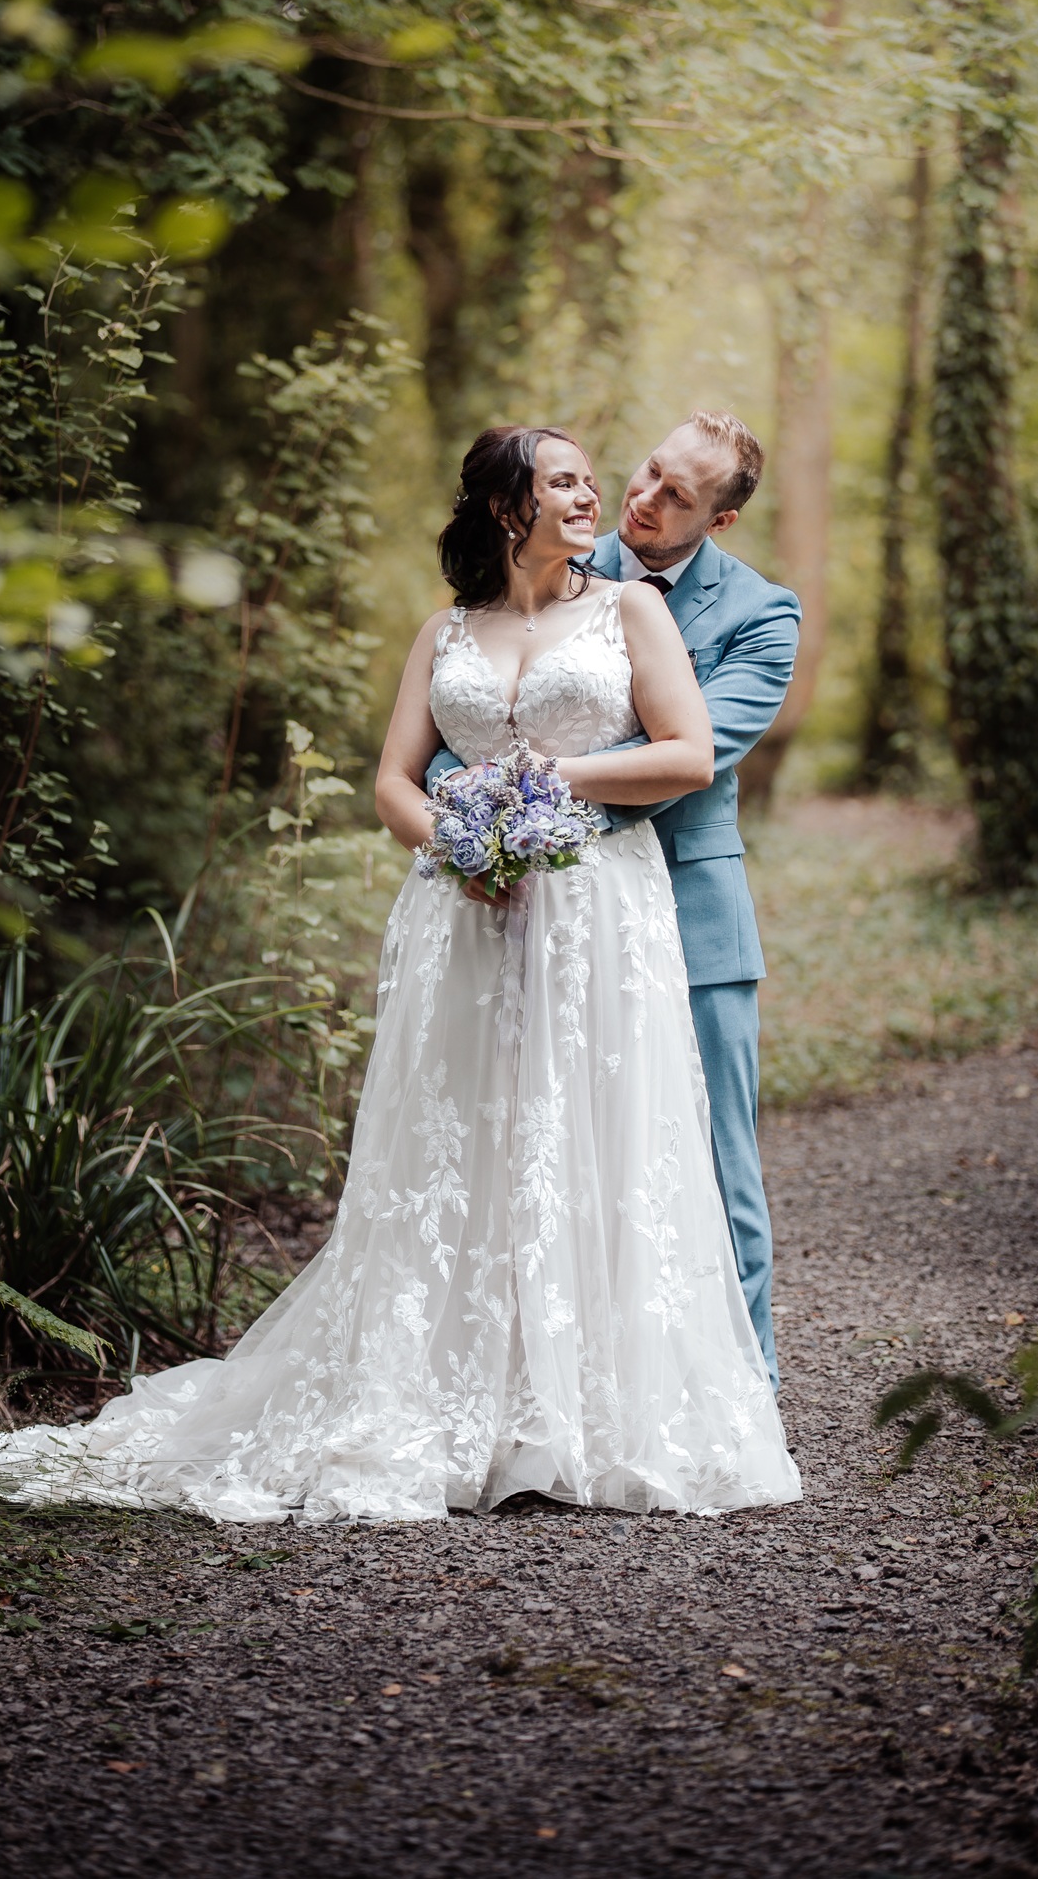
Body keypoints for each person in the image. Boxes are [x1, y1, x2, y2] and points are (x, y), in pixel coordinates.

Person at [0, 424, 800, 1523]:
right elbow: (395, 780)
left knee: (590, 1136)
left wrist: (543, 777)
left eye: (598, 477)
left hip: (598, 911)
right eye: (567, 480)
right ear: (509, 507)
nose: (599, 492)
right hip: (463, 914)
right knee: (468, 1138)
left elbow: (688, 754)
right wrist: (455, 845)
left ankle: (588, 1409)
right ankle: (454, 1393)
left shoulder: (630, 610)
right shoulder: (444, 630)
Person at [429, 411, 799, 1387]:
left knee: (717, 1159)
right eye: (647, 472)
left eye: (678, 495)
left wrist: (535, 771)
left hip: (686, 905)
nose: (641, 498)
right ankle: (584, 1375)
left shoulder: (761, 614)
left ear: (719, 520)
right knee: (563, 1143)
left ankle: (743, 1385)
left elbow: (692, 753)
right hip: (542, 911)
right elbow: (462, 712)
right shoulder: (558, 560)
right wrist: (466, 805)